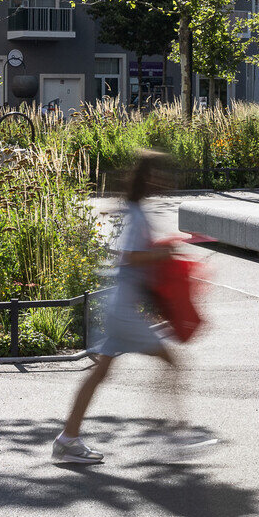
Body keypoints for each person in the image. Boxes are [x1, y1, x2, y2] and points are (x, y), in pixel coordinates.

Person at [52, 152, 207, 464]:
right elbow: (131, 258)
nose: (164, 181)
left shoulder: (135, 211)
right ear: (149, 179)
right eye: (159, 175)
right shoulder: (136, 215)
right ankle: (176, 435)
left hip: (121, 305)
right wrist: (164, 255)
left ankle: (67, 439)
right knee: (172, 362)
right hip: (123, 310)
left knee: (99, 373)